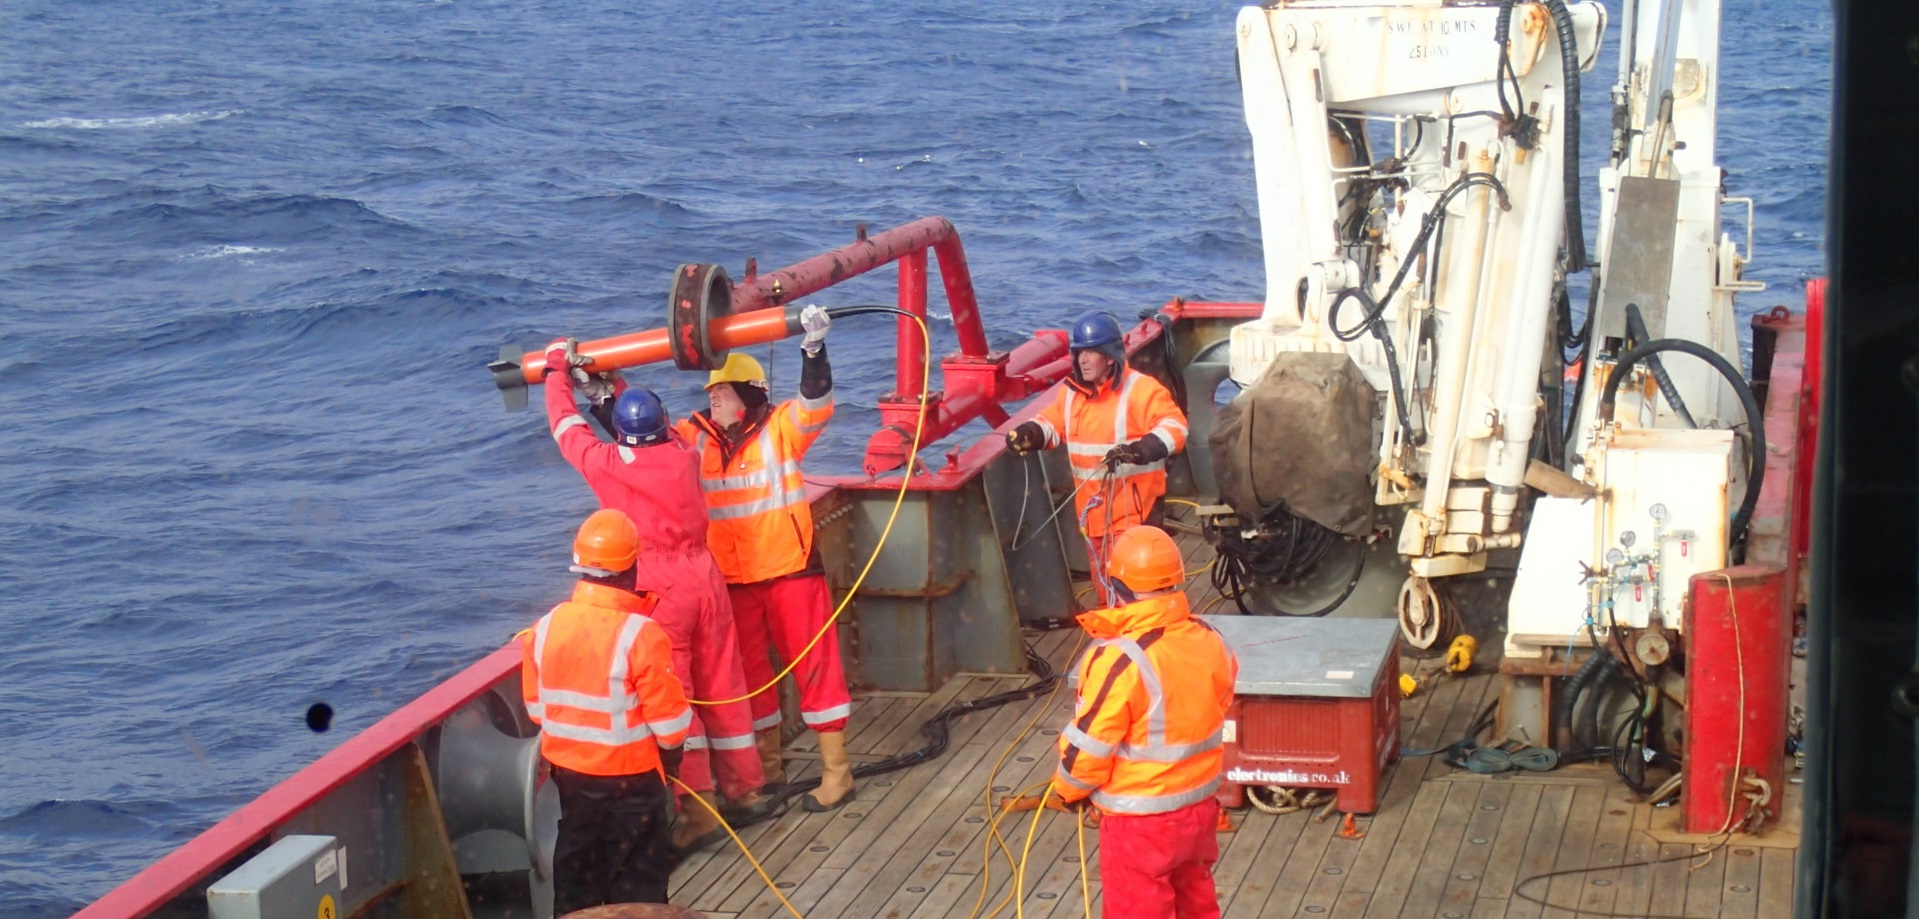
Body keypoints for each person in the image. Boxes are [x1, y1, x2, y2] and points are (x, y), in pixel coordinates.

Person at [540, 338, 773, 852]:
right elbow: (649, 429)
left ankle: (700, 811)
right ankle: (747, 789)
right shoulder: (682, 452)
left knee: (679, 700)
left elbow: (565, 427)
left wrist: (557, 371)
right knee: (724, 683)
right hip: (703, 574)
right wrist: (612, 387)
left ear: (621, 436)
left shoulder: (608, 464)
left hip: (659, 584)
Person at [674, 305, 857, 812]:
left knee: (816, 670)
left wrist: (813, 349)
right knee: (750, 678)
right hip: (731, 582)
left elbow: (815, 405)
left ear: (751, 396)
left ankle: (837, 774)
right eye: (710, 391)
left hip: (789, 571)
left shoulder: (781, 429)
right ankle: (766, 772)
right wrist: (609, 399)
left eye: (724, 390)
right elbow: (648, 444)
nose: (713, 397)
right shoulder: (694, 438)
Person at [1050, 525, 1237, 919]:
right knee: (1196, 904)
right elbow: (1218, 703)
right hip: (1199, 808)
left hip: (1140, 824)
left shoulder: (1120, 660)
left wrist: (1066, 792)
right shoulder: (1209, 639)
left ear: (1117, 585)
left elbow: (1091, 747)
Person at [521, 509, 693, 912]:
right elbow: (671, 729)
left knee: (577, 884)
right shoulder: (641, 634)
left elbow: (536, 710)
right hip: (632, 788)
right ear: (632, 568)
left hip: (573, 786)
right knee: (637, 892)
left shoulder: (544, 628)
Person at [1003, 310, 1189, 605]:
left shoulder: (1141, 389)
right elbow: (1053, 424)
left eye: (1091, 352)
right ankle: (1115, 641)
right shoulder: (1072, 394)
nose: (1083, 360)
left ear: (1110, 357)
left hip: (1135, 516)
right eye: (1079, 353)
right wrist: (1031, 433)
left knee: (1140, 595)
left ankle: (1144, 643)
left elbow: (1175, 427)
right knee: (1106, 592)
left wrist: (1139, 450)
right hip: (1094, 520)